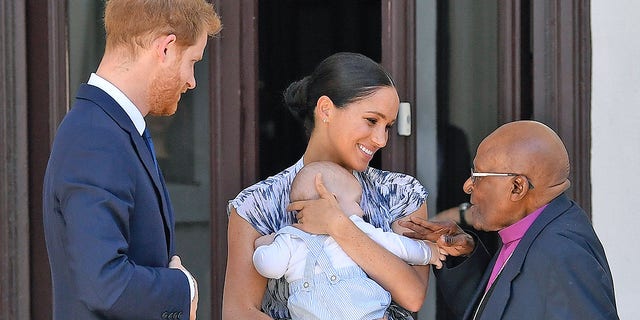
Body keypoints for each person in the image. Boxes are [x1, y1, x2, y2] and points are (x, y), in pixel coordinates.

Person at [42, 1, 221, 319]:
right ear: (165, 48)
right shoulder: (96, 137)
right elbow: (104, 284)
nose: (192, 80)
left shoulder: (112, 129)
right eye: (192, 61)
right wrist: (183, 288)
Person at [224, 52, 433, 320]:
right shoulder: (256, 205)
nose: (381, 139)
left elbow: (413, 296)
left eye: (388, 126)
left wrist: (339, 225)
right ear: (325, 110)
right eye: (371, 120)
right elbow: (238, 312)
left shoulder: (402, 194)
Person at [399, 120, 619, 319]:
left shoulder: (562, 251)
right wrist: (466, 256)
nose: (467, 185)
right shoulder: (531, 230)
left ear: (517, 187)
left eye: (478, 176)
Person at [253, 161, 446, 320]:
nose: (362, 210)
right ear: (333, 200)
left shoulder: (290, 237)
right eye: (357, 202)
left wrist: (263, 244)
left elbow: (270, 267)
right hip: (364, 313)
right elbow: (398, 246)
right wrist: (429, 252)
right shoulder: (356, 225)